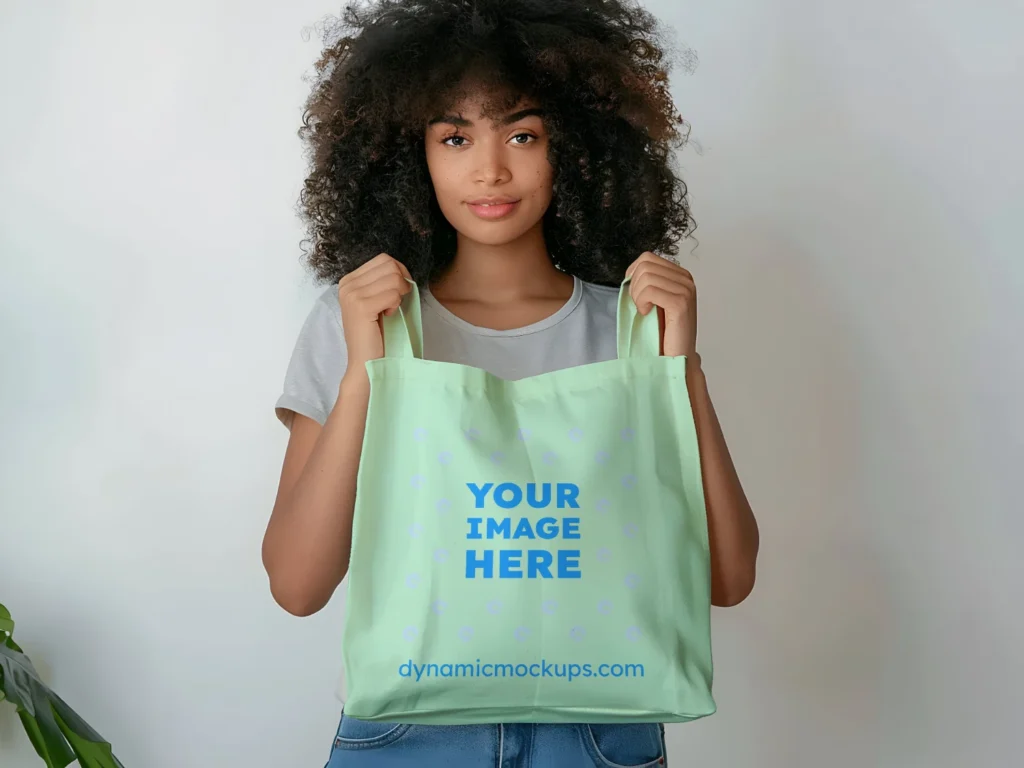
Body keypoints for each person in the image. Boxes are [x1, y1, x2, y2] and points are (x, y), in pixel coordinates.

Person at [263, 0, 759, 765]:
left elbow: (727, 579)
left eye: (523, 134)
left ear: (580, 148)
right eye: (454, 136)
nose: (490, 169)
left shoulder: (627, 326)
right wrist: (369, 372)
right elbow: (297, 587)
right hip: (407, 736)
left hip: (601, 734)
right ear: (408, 154)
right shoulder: (360, 320)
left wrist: (676, 368)